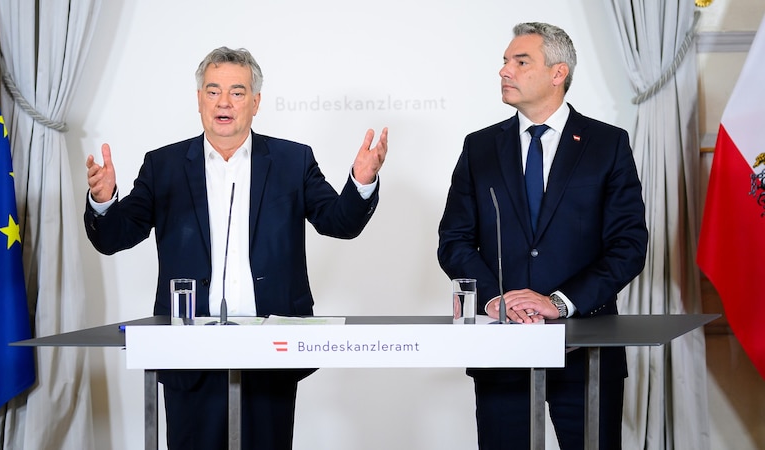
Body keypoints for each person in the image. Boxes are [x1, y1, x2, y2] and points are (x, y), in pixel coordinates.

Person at [84, 47, 388, 450]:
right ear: (198, 100)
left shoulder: (292, 160)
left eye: (237, 92)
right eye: (213, 91)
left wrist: (360, 183)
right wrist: (104, 202)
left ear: (256, 102)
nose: (223, 102)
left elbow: (338, 222)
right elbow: (114, 237)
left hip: (271, 349)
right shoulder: (164, 165)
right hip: (188, 349)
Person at [437, 22, 647, 450]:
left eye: (520, 61)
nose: (504, 71)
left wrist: (557, 302)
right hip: (502, 354)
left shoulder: (608, 144)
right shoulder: (479, 148)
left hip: (587, 351)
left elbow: (628, 246)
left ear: (558, 73)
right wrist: (499, 299)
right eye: (504, 61)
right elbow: (454, 240)